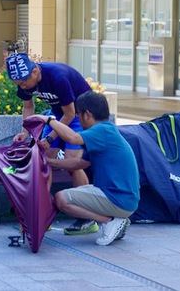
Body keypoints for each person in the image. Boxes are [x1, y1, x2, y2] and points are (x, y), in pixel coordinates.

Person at [5, 52, 99, 236]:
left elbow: (71, 114)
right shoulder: (24, 82)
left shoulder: (57, 77)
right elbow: (28, 107)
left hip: (81, 115)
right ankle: (42, 214)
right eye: (18, 84)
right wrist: (26, 132)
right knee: (43, 160)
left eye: (24, 82)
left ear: (34, 72)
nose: (22, 87)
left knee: (73, 163)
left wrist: (49, 138)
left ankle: (88, 219)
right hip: (57, 116)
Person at [32, 92, 140, 246]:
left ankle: (109, 221)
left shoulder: (102, 130)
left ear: (88, 114)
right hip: (123, 198)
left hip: (118, 199)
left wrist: (48, 120)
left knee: (61, 199)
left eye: (78, 115)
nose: (78, 120)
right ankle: (115, 220)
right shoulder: (106, 130)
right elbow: (79, 163)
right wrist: (49, 161)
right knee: (72, 193)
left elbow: (73, 138)